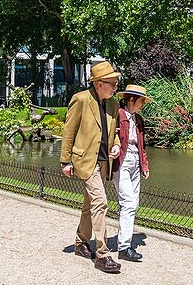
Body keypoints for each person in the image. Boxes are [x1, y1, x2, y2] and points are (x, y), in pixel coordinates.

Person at [60, 61, 122, 274]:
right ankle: (103, 255)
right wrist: (65, 161)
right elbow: (69, 132)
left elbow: (114, 133)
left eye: (116, 83)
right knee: (100, 203)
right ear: (99, 84)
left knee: (89, 205)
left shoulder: (113, 105)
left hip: (103, 161)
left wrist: (116, 146)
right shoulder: (81, 100)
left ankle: (80, 242)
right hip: (85, 160)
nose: (115, 87)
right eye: (112, 83)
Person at [114, 84, 152, 263]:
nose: (142, 104)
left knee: (133, 203)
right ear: (131, 100)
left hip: (135, 164)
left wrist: (144, 165)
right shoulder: (118, 115)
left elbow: (141, 146)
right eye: (141, 101)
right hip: (121, 162)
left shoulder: (139, 120)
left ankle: (124, 239)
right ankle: (124, 247)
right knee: (128, 203)